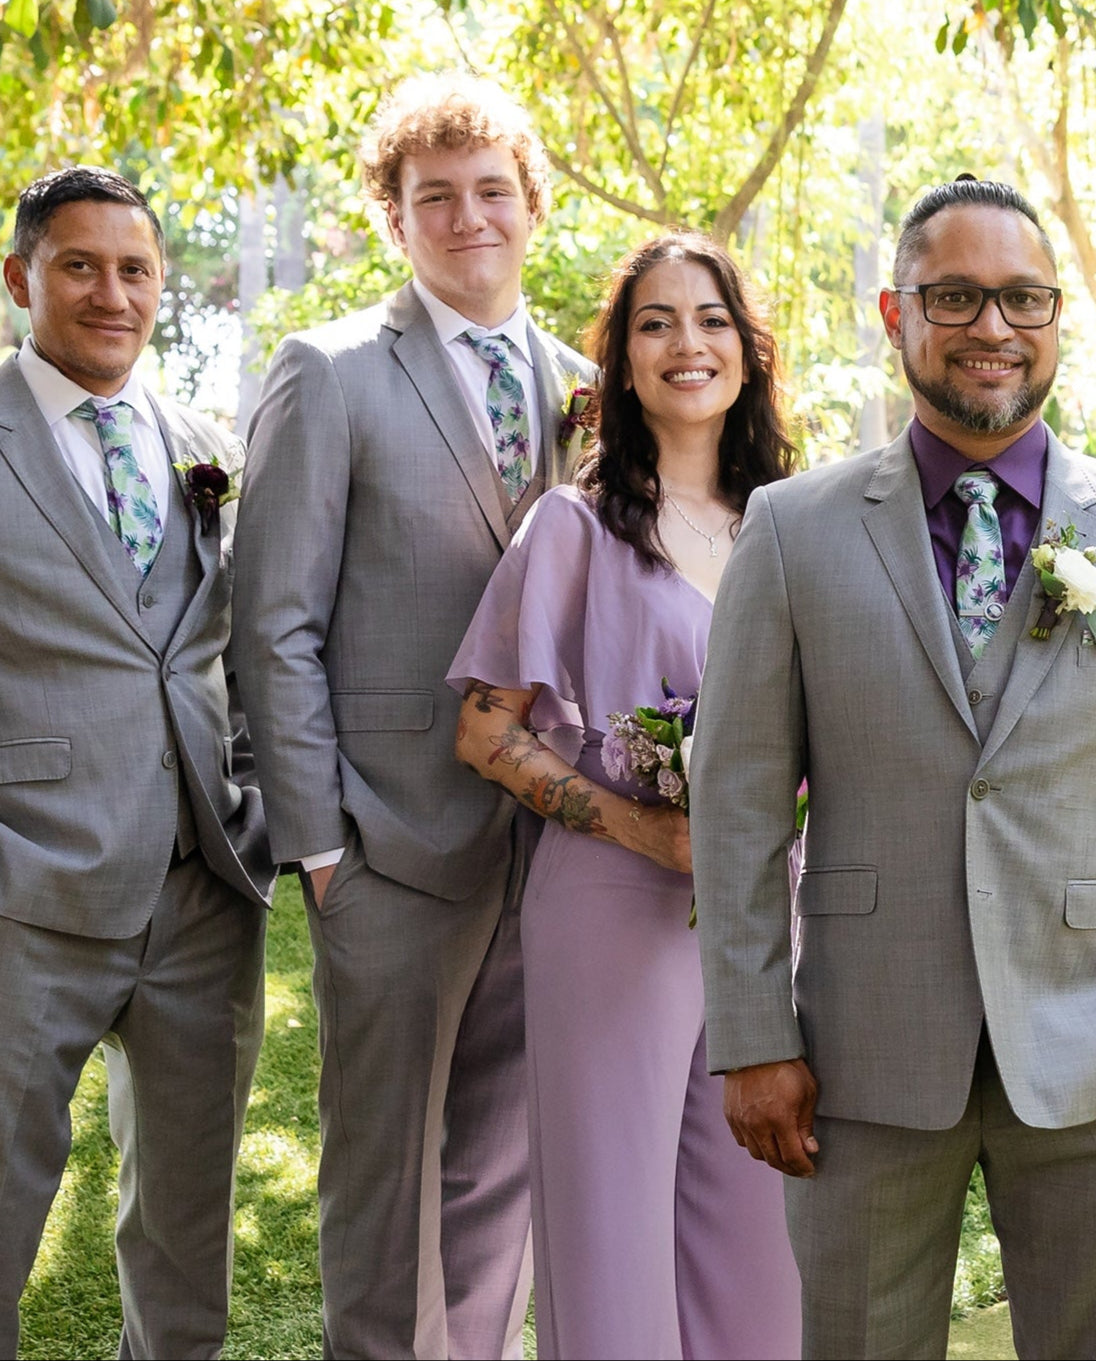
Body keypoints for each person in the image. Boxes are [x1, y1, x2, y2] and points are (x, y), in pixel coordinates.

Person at [689, 176, 1096, 1360]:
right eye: (954, 296)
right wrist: (750, 1033)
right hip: (857, 1053)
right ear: (895, 315)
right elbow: (736, 804)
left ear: (1054, 320)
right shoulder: (790, 530)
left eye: (1020, 299)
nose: (991, 326)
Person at [232, 74, 591, 1360]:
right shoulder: (325, 373)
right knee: (384, 1176)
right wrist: (320, 844)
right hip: (385, 847)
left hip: (553, 851)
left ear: (531, 206)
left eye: (492, 189)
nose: (468, 216)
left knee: (500, 1168)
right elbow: (271, 619)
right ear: (393, 215)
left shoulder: (589, 387)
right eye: (433, 195)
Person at [448, 232, 802, 1361]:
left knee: (764, 1228)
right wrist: (639, 824)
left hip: (769, 918)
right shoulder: (573, 525)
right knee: (607, 1233)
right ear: (619, 360)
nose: (684, 344)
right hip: (609, 910)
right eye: (655, 322)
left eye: (708, 319)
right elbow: (485, 730)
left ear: (745, 349)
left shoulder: (797, 527)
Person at [0, 166, 273, 1360]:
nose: (111, 293)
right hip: (26, 892)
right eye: (79, 265)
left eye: (135, 269)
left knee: (186, 1229)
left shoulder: (203, 446)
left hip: (204, 887)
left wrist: (254, 802)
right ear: (20, 279)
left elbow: (241, 647)